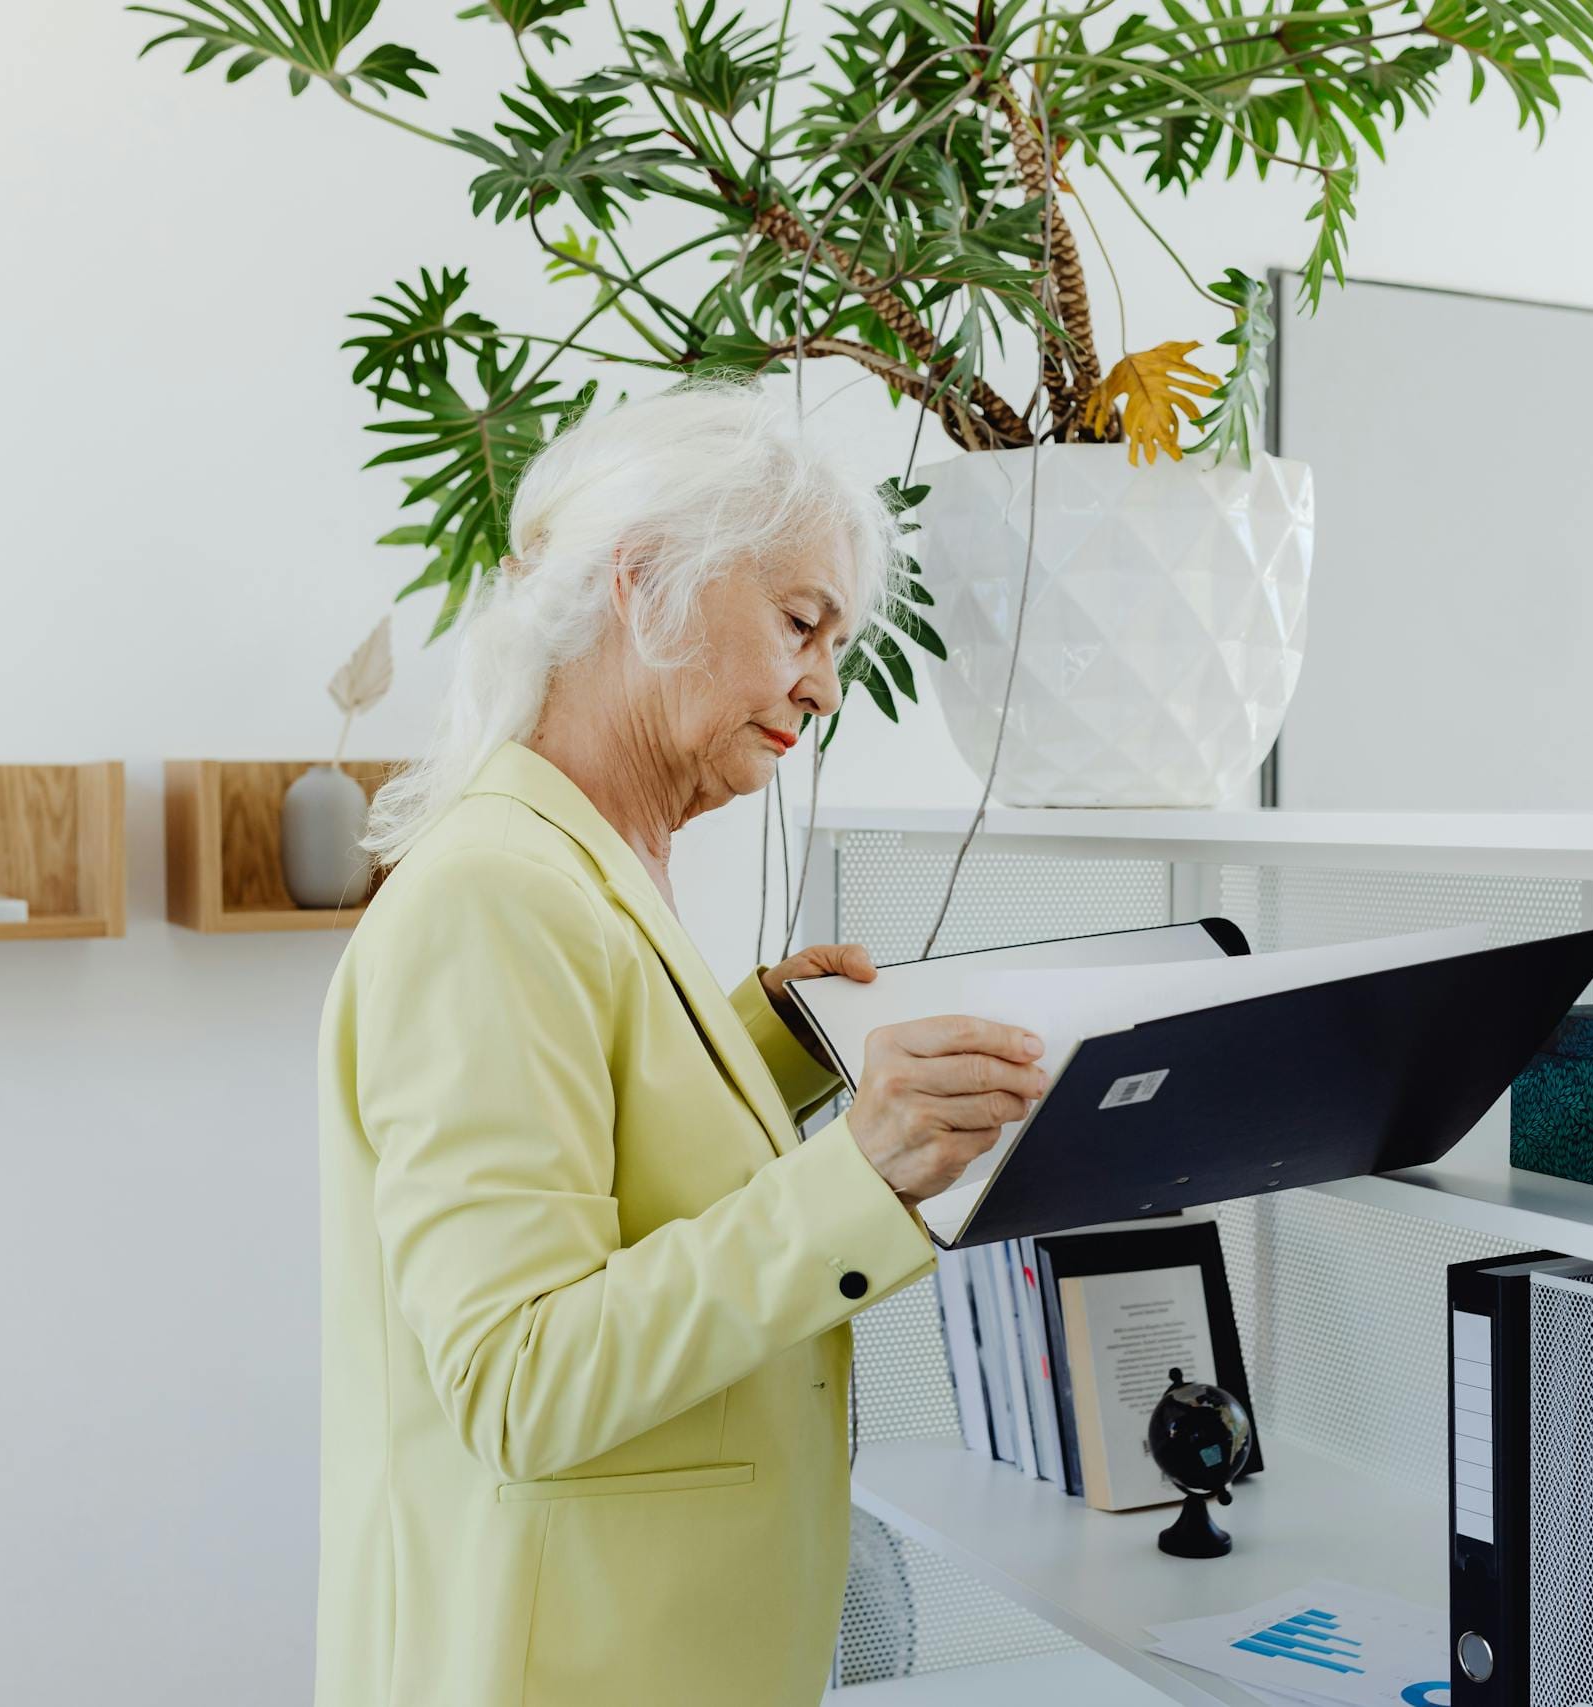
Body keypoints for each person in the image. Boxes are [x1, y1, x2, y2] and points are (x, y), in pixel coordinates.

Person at [312, 380, 1049, 1706]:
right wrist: (861, 1180)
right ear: (643, 586)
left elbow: (599, 1155)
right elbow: (518, 1380)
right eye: (801, 625)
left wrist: (762, 1049)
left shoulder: (579, 872)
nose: (823, 686)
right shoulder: (496, 895)